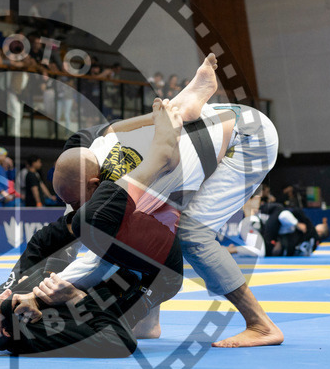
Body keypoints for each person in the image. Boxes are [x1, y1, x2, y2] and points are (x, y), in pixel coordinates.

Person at [45, 54, 281, 347]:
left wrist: (54, 288)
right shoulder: (96, 151)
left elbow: (101, 255)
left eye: (79, 202)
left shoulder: (134, 177)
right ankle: (148, 322)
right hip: (215, 119)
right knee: (146, 225)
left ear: (93, 183)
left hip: (249, 138)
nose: (80, 209)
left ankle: (260, 325)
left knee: (189, 234)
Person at [0, 99, 189, 357]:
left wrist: (26, 275)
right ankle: (160, 152)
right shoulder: (42, 334)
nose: (7, 293)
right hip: (158, 271)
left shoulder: (13, 303)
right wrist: (72, 297)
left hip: (124, 269)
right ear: (8, 330)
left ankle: (149, 324)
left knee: (78, 145)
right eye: (5, 300)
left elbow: (41, 242)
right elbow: (120, 341)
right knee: (96, 220)